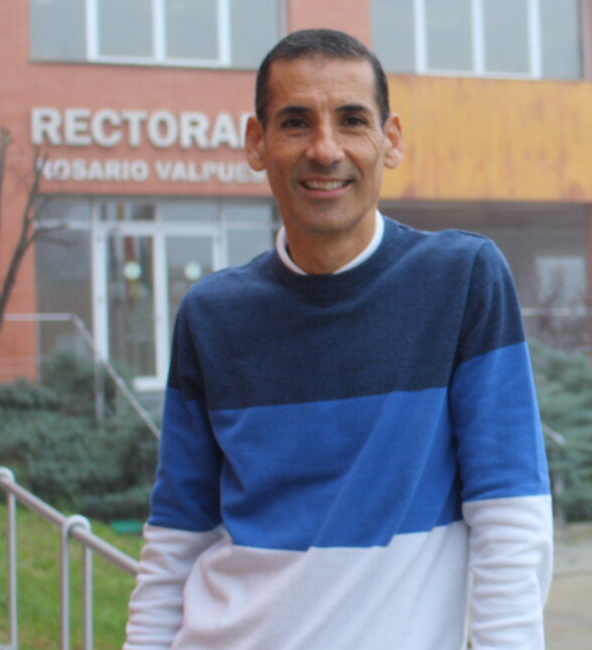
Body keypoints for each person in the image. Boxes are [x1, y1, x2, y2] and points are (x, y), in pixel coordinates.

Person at [124, 29, 553, 649]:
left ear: (391, 139)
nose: (325, 150)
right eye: (296, 122)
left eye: (352, 120)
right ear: (257, 142)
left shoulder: (460, 280)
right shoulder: (212, 313)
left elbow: (510, 517)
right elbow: (175, 540)